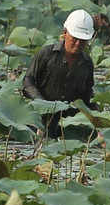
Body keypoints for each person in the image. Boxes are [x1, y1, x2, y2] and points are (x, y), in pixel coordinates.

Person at [22, 9, 97, 138]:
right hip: (42, 121)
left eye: (83, 40)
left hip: (71, 125)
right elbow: (28, 80)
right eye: (75, 38)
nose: (78, 43)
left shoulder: (87, 63)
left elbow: (87, 93)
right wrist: (41, 102)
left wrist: (96, 117)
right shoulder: (46, 54)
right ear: (65, 33)